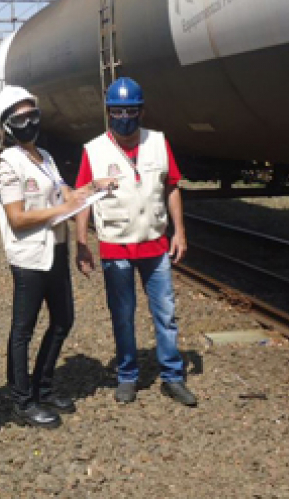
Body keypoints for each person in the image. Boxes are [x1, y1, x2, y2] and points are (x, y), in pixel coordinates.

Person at [0, 85, 116, 428]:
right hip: (29, 257)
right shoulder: (7, 164)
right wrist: (62, 208)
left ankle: (43, 387)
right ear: (7, 124)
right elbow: (17, 217)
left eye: (33, 115)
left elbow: (66, 193)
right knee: (22, 330)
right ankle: (21, 400)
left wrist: (93, 188)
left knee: (63, 320)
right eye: (21, 118)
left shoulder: (44, 157)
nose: (29, 122)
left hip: (55, 251)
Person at [74, 76, 197, 407]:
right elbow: (83, 197)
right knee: (123, 314)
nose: (123, 117)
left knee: (166, 312)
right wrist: (82, 241)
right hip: (116, 246)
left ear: (141, 111)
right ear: (109, 113)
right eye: (117, 111)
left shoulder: (158, 142)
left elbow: (172, 186)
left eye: (130, 110)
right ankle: (127, 375)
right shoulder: (94, 150)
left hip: (155, 244)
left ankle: (172, 376)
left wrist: (180, 231)